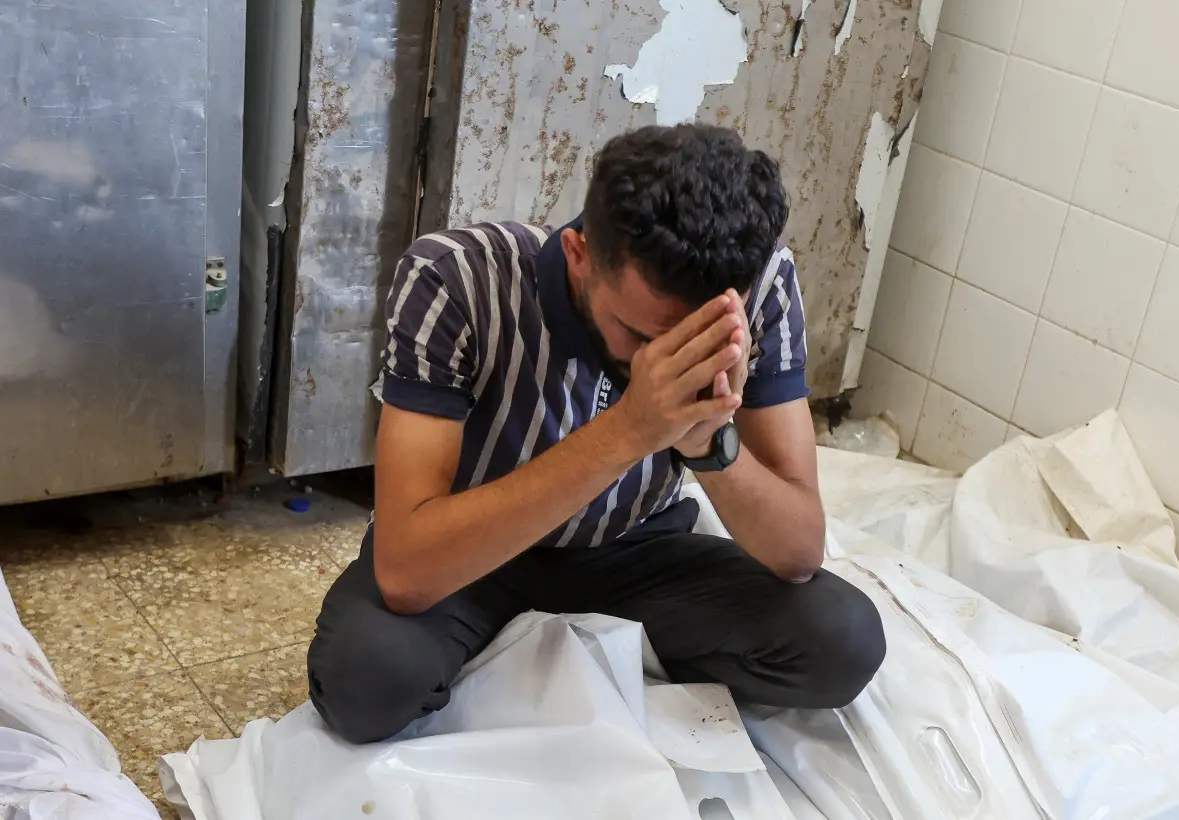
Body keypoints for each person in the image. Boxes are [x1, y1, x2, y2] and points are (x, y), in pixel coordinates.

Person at [307, 123, 886, 744]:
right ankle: (564, 662)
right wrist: (631, 430)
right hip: (474, 555)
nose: (662, 363)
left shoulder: (762, 285)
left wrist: (707, 442)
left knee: (842, 639)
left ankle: (587, 661)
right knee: (367, 680)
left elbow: (798, 551)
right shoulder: (457, 278)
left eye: (698, 344)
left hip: (637, 551)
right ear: (581, 256)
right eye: (642, 336)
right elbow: (406, 570)